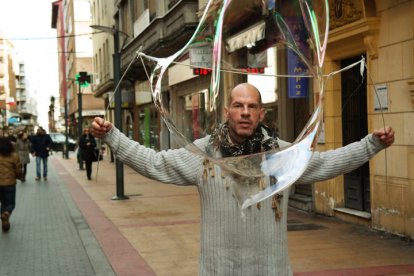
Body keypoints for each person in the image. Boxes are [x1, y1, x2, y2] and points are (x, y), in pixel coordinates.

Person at [91, 83, 395, 275]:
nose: (245, 112)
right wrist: (112, 136)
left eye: (252, 107)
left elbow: (328, 163)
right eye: (238, 105)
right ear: (227, 112)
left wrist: (371, 144)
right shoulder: (205, 154)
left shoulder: (281, 156)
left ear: (261, 114)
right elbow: (154, 163)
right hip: (219, 270)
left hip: (271, 269)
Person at [0, 137, 23, 232]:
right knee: (10, 204)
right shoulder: (14, 156)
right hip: (10, 183)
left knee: (3, 203)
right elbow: (18, 170)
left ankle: (4, 222)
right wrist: (19, 176)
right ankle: (7, 214)